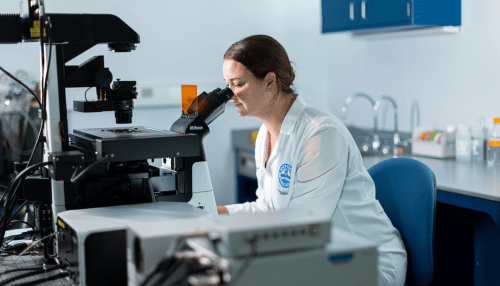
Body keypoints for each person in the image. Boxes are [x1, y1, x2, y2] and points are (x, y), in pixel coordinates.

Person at [217, 35, 407, 286]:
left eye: (238, 84)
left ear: (270, 82)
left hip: (367, 263)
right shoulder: (265, 134)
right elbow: (268, 209)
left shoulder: (321, 133)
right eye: (227, 85)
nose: (230, 95)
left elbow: (307, 223)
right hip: (322, 255)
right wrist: (214, 213)